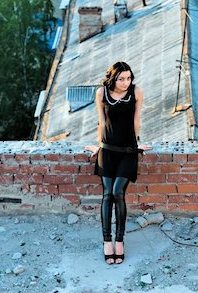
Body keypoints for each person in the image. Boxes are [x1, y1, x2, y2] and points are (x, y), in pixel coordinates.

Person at [85, 62, 151, 264]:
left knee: (117, 192)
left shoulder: (136, 92)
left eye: (129, 78)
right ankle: (107, 241)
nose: (125, 82)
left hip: (128, 150)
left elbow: (136, 121)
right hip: (107, 149)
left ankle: (120, 240)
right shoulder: (101, 93)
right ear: (113, 78)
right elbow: (102, 121)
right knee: (107, 194)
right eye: (121, 79)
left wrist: (137, 143)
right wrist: (98, 146)